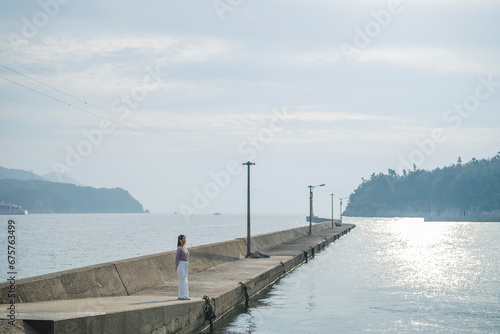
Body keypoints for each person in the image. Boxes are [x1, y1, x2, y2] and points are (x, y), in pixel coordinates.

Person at [175, 234, 190, 300]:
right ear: (180, 240)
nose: (184, 240)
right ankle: (182, 295)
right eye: (183, 239)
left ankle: (185, 294)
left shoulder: (185, 248)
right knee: (182, 279)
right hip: (181, 264)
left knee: (185, 279)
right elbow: (176, 258)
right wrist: (176, 265)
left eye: (185, 239)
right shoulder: (179, 248)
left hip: (186, 263)